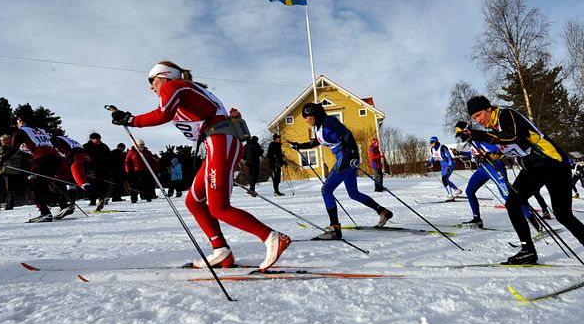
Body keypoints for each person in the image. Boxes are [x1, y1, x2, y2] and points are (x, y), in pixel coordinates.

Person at [110, 60, 290, 270]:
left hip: (220, 141)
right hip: (219, 142)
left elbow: (162, 114)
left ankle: (271, 237)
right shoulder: (185, 89)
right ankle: (221, 251)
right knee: (193, 201)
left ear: (163, 76)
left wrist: (131, 120)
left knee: (219, 207)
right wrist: (127, 117)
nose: (151, 87)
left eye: (152, 80)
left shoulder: (172, 86)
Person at [465, 95, 584, 274]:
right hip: (532, 168)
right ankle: (528, 251)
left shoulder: (506, 115)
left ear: (489, 109)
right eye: (475, 118)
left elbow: (511, 137)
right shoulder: (495, 127)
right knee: (513, 204)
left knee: (563, 214)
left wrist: (477, 134)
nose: (478, 120)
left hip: (552, 163)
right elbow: (509, 148)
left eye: (479, 115)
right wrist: (489, 156)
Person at [291, 102, 393, 240]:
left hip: (346, 157)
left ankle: (335, 229)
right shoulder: (318, 128)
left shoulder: (328, 121)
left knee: (326, 190)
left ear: (315, 114)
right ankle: (382, 211)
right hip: (344, 157)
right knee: (353, 193)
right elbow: (315, 142)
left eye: (307, 117)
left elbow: (347, 134)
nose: (306, 120)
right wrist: (299, 146)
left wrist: (352, 153)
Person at [454, 121, 540, 230]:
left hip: (494, 167)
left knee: (508, 196)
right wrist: (460, 153)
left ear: (467, 131)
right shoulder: (471, 142)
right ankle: (477, 219)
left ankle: (532, 220)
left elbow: (496, 149)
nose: (461, 137)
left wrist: (487, 155)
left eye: (461, 134)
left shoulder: (480, 138)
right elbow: (474, 153)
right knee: (469, 191)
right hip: (483, 169)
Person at [0, 112, 69, 222]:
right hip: (55, 157)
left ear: (21, 122)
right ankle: (64, 205)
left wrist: (1, 161)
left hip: (43, 157)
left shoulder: (21, 131)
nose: (17, 124)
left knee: (34, 184)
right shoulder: (40, 130)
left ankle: (45, 213)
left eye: (17, 122)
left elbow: (13, 149)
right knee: (43, 185)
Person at [52, 135, 106, 218]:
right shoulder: (68, 139)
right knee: (70, 182)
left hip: (76, 158)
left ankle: (100, 197)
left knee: (81, 182)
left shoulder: (55, 139)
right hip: (86, 157)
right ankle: (72, 203)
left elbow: (58, 150)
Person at [83, 132, 111, 205]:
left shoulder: (104, 146)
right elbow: (84, 159)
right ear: (91, 139)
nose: (97, 140)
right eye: (96, 139)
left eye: (99, 139)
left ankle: (103, 198)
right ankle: (92, 200)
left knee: (103, 184)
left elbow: (109, 157)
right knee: (93, 185)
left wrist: (109, 168)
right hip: (91, 169)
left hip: (103, 169)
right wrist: (87, 169)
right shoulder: (86, 147)